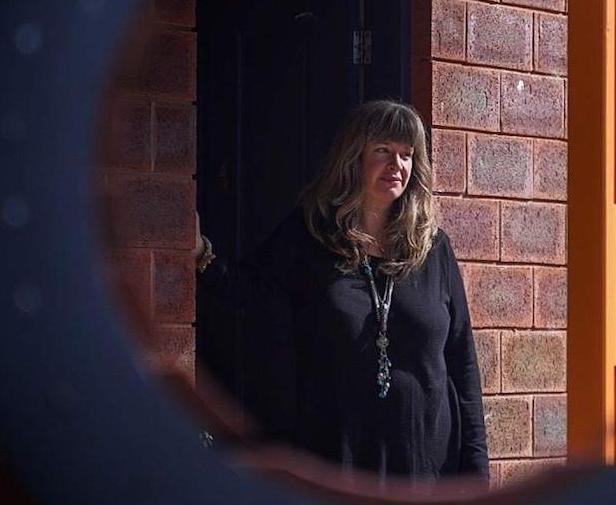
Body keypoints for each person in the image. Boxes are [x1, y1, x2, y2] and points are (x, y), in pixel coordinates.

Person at [194, 99, 488, 483]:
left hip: (426, 468)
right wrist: (200, 253)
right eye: (382, 150)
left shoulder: (434, 249)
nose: (396, 165)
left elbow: (463, 363)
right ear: (354, 157)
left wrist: (476, 472)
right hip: (338, 461)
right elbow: (251, 291)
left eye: (406, 155)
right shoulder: (311, 235)